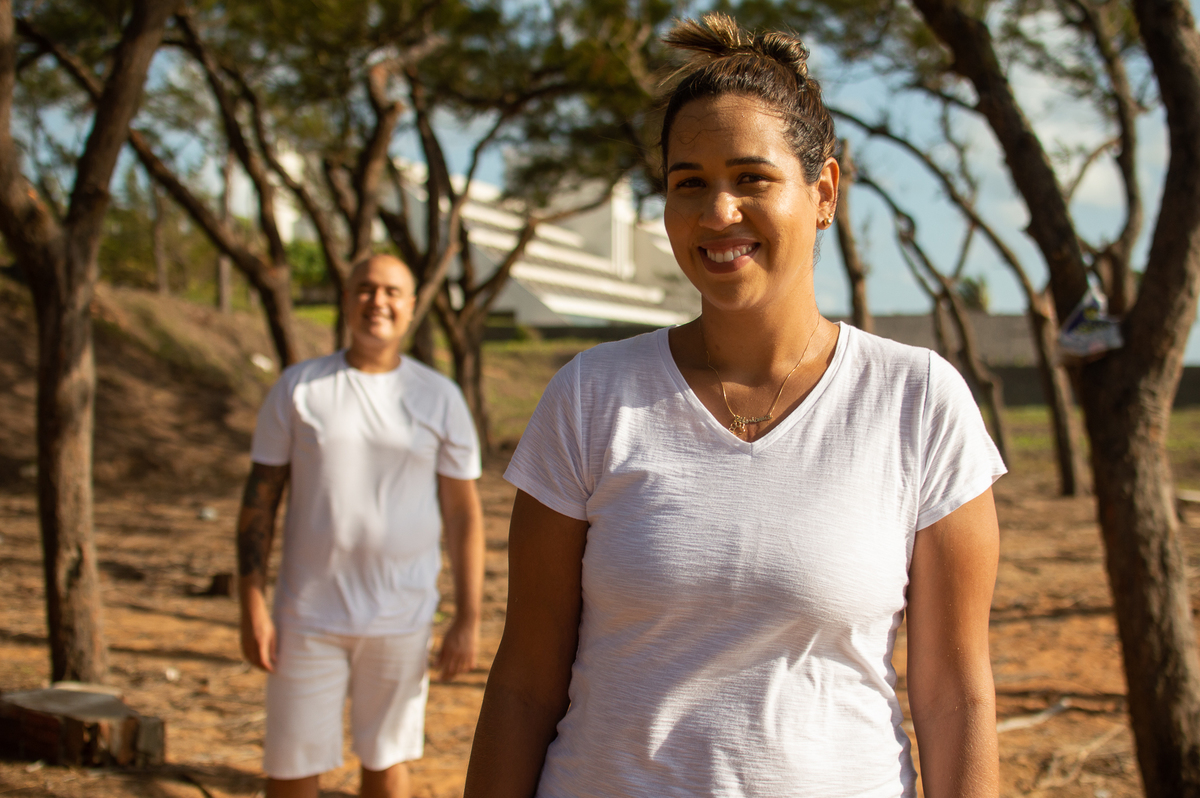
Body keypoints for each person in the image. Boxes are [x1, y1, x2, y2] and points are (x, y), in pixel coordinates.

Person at [464, 14, 1004, 798]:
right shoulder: (590, 396)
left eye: (752, 178)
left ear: (822, 194)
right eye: (690, 183)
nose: (718, 213)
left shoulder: (917, 400)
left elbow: (955, 697)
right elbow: (523, 683)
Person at [237, 253, 485, 798]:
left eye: (393, 292)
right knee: (291, 769)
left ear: (412, 306)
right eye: (365, 289)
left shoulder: (439, 397)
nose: (378, 301)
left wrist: (468, 615)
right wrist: (251, 604)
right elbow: (260, 502)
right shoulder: (299, 388)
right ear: (346, 299)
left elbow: (464, 515)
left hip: (403, 615)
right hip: (306, 618)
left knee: (387, 761)